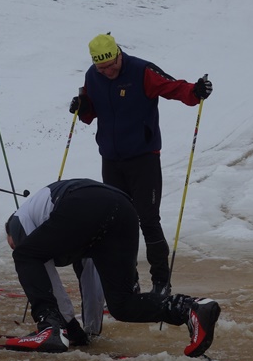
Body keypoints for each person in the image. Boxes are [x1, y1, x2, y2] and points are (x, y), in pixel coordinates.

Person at [2, 178, 221, 356]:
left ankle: (49, 327)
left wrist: (62, 325)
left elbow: (46, 275)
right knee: (122, 304)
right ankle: (190, 308)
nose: (14, 243)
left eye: (10, 240)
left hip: (84, 201)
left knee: (24, 255)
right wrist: (88, 332)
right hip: (122, 208)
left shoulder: (18, 220)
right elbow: (90, 278)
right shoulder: (68, 231)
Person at [69, 33, 213, 296]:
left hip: (143, 158)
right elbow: (90, 113)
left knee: (147, 219)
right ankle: (128, 281)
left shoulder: (141, 71)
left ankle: (160, 282)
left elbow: (175, 87)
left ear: (118, 53)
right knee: (118, 223)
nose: (108, 71)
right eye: (102, 68)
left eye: (112, 64)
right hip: (111, 160)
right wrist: (81, 107)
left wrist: (195, 91)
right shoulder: (93, 76)